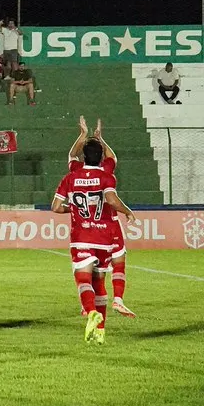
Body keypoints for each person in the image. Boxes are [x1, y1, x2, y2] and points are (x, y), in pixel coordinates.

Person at [52, 138, 137, 344]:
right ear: (101, 158)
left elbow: (55, 206)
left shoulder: (71, 177)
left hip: (82, 237)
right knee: (99, 283)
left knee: (83, 280)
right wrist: (127, 211)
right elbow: (110, 198)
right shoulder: (107, 176)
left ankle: (91, 312)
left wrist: (71, 209)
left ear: (83, 157)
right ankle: (100, 332)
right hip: (105, 238)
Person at [68, 117, 134, 318]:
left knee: (93, 275)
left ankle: (89, 307)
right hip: (108, 225)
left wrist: (82, 135)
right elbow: (113, 157)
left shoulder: (76, 172)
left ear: (84, 157)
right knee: (118, 260)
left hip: (86, 231)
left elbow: (72, 155)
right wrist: (100, 138)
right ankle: (118, 300)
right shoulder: (107, 171)